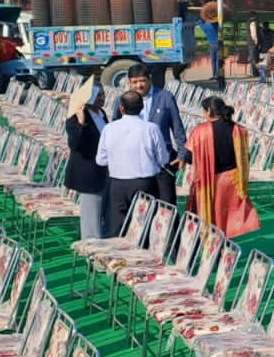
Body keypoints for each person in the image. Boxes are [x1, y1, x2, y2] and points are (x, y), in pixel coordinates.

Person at [184, 97, 261, 238]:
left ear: (208, 111)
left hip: (210, 181)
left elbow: (189, 157)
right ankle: (224, 246)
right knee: (225, 218)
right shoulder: (239, 130)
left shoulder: (200, 131)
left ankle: (214, 250)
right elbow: (245, 156)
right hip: (232, 180)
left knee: (211, 217)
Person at [97, 91, 170, 238]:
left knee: (117, 226)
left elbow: (101, 160)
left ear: (121, 108)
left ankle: (117, 257)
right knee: (144, 226)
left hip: (118, 183)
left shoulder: (109, 129)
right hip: (145, 183)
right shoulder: (151, 129)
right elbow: (163, 159)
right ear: (142, 107)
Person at [125, 65, 186, 206]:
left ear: (149, 80)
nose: (139, 85)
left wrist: (182, 153)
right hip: (136, 163)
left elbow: (177, 127)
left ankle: (170, 228)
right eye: (134, 82)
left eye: (142, 81)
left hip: (162, 162)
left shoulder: (165, 97)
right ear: (129, 83)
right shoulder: (124, 101)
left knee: (166, 205)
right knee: (141, 206)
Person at [64, 81, 108, 240]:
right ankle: (91, 252)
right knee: (91, 221)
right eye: (98, 95)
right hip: (87, 173)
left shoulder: (101, 113)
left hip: (102, 172)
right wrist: (81, 122)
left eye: (103, 94)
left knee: (100, 214)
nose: (102, 98)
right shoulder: (75, 116)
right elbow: (75, 144)